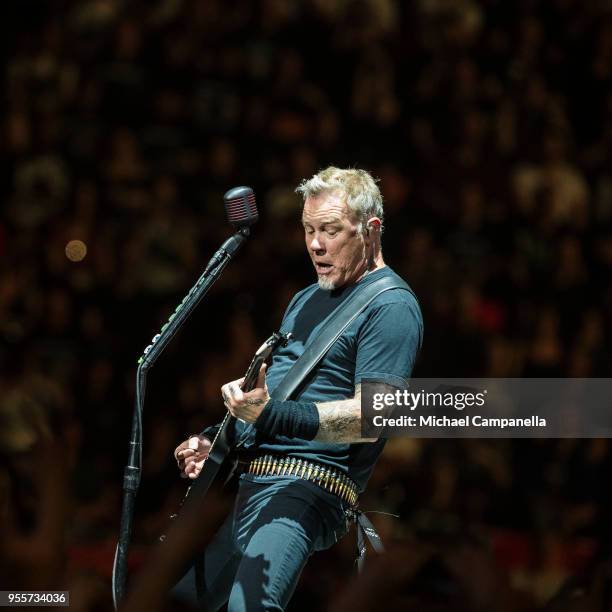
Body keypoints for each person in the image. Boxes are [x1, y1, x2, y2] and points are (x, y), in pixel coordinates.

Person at [172, 167, 423, 611]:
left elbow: (372, 418)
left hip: (305, 485)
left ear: (371, 229)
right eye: (308, 229)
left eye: (329, 230)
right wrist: (214, 437)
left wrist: (268, 415)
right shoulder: (305, 299)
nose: (314, 244)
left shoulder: (391, 305)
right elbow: (279, 393)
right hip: (247, 481)